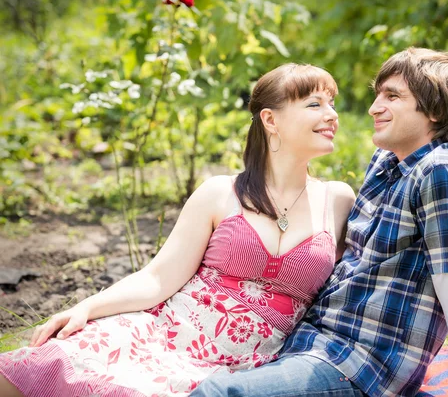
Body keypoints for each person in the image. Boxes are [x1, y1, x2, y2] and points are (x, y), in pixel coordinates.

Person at [0, 63, 356, 397]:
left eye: (332, 103)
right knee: (42, 366)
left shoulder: (337, 200)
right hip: (166, 335)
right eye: (315, 103)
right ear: (270, 120)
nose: (332, 114)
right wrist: (86, 308)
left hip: (242, 372)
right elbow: (159, 277)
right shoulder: (221, 192)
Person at [191, 48, 448, 397]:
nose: (374, 108)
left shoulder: (446, 175)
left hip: (360, 366)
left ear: (435, 110)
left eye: (392, 96)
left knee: (216, 395)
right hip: (312, 342)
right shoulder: (387, 161)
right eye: (377, 94)